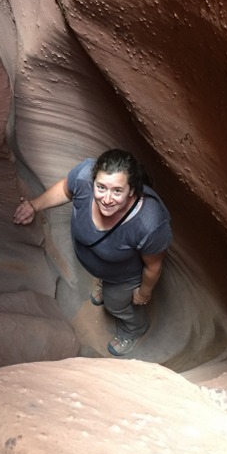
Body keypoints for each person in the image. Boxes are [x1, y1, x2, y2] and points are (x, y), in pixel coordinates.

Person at [13, 149, 172, 356]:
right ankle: (104, 283)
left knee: (116, 305)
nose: (106, 199)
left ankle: (133, 329)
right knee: (106, 288)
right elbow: (65, 189)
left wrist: (144, 292)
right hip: (102, 265)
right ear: (93, 180)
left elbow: (153, 266)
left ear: (132, 190)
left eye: (117, 191)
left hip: (124, 277)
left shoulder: (149, 224)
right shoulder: (84, 175)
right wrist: (34, 206)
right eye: (101, 187)